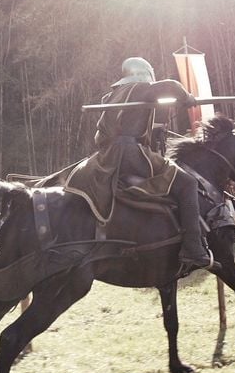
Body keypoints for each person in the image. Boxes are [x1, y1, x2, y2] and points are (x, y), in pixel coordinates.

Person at [65, 57, 219, 270]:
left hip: (107, 155)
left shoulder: (110, 96)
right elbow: (171, 86)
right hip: (132, 154)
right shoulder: (142, 88)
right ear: (144, 73)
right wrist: (187, 97)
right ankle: (193, 248)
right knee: (187, 183)